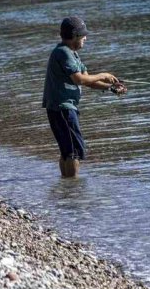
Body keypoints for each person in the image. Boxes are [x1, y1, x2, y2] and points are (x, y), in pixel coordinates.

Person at [42, 16, 126, 178]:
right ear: (75, 36)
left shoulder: (71, 54)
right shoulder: (63, 52)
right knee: (73, 151)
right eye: (83, 35)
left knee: (67, 151)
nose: (86, 38)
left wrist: (110, 87)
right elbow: (79, 79)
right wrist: (103, 74)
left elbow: (88, 81)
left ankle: (65, 185)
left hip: (59, 108)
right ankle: (73, 188)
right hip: (63, 108)